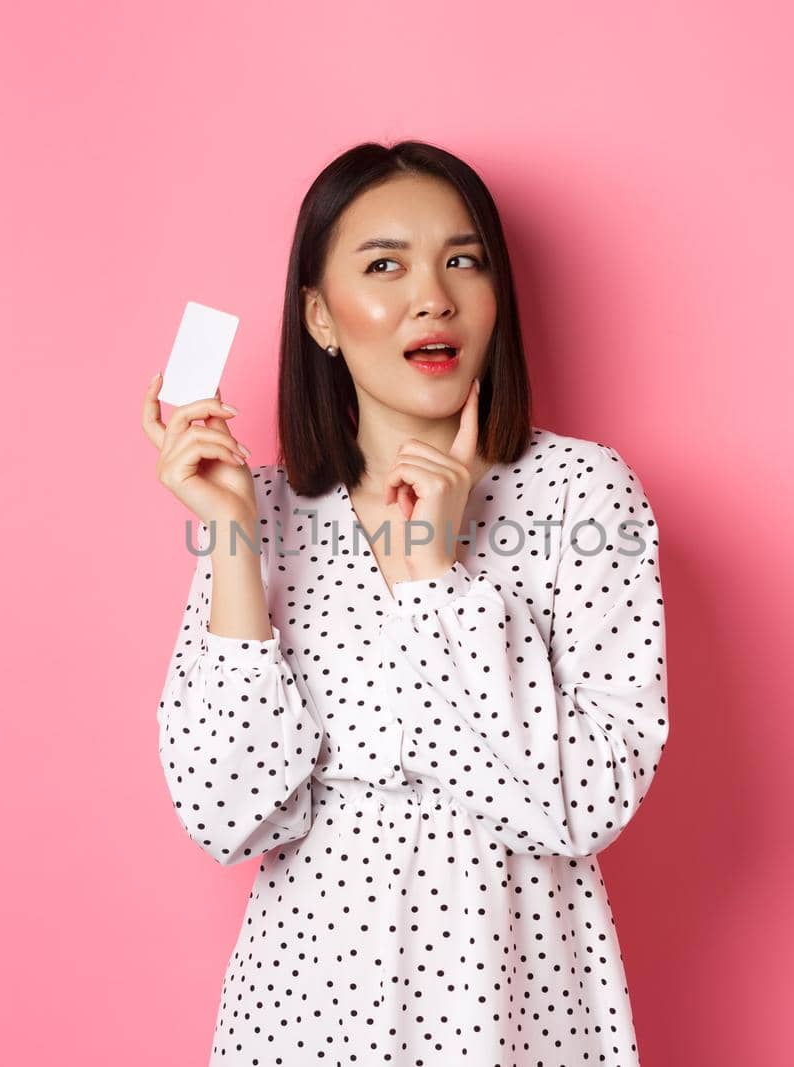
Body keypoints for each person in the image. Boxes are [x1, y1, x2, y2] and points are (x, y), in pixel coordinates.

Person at [141, 140, 669, 1066]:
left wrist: (436, 581)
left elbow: (584, 805)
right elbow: (229, 813)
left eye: (464, 260)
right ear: (320, 317)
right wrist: (229, 538)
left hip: (515, 1001)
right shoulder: (259, 509)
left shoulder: (584, 494)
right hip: (304, 1009)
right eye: (385, 265)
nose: (435, 296)